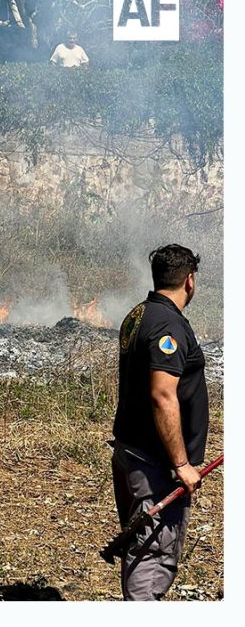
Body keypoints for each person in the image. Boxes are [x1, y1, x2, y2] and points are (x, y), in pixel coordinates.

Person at [111, 244, 209, 600]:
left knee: (140, 545)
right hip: (155, 463)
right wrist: (181, 463)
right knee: (153, 554)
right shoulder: (169, 325)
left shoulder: (139, 314)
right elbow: (162, 395)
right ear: (190, 281)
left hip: (131, 450)